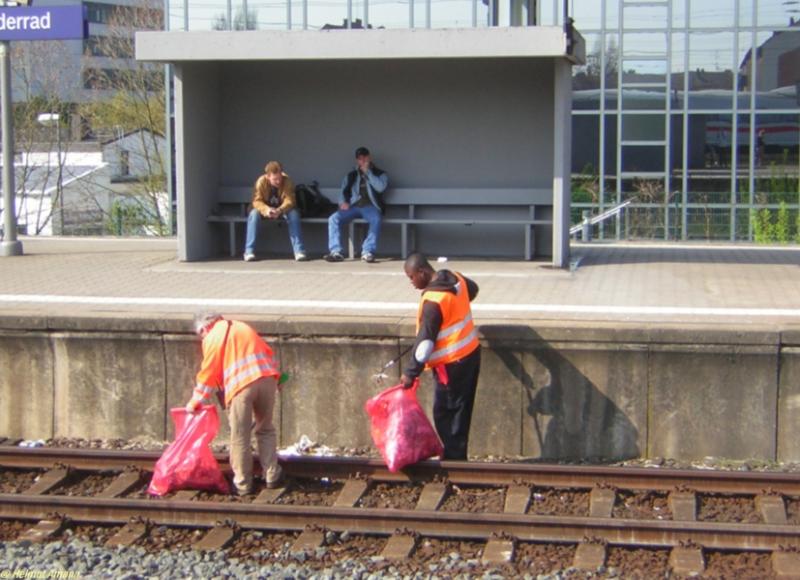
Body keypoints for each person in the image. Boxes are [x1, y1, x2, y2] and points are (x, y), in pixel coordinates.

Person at [185, 313, 284, 495]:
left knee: (240, 435)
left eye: (201, 335)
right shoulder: (242, 326)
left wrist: (195, 401)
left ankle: (243, 484)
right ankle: (272, 475)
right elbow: (268, 353)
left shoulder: (213, 337)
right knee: (265, 428)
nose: (202, 338)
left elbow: (209, 373)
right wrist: (280, 380)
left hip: (241, 386)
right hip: (267, 379)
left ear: (204, 328)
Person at [399, 253, 481, 460]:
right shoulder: (455, 278)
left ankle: (455, 459)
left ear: (422, 272)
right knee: (461, 410)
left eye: (411, 277)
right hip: (470, 353)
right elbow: (473, 290)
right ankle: (457, 456)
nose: (411, 282)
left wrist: (410, 373)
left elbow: (425, 344)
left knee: (445, 413)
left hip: (451, 364)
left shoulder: (433, 301)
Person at [324, 146, 389, 263]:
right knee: (333, 218)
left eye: (365, 158)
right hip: (353, 207)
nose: (363, 161)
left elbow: (380, 188)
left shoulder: (380, 173)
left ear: (369, 158)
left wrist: (368, 173)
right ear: (357, 160)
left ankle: (367, 251)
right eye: (360, 159)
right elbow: (343, 191)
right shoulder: (351, 175)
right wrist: (342, 203)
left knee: (376, 219)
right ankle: (335, 252)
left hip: (370, 207)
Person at [244, 161, 307, 262]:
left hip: (282, 210)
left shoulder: (287, 181)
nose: (278, 181)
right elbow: (256, 201)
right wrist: (267, 210)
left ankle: (299, 251)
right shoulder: (261, 182)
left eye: (280, 178)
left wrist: (280, 210)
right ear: (268, 176)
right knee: (253, 215)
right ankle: (249, 251)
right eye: (275, 179)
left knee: (294, 214)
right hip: (264, 210)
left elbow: (290, 200)